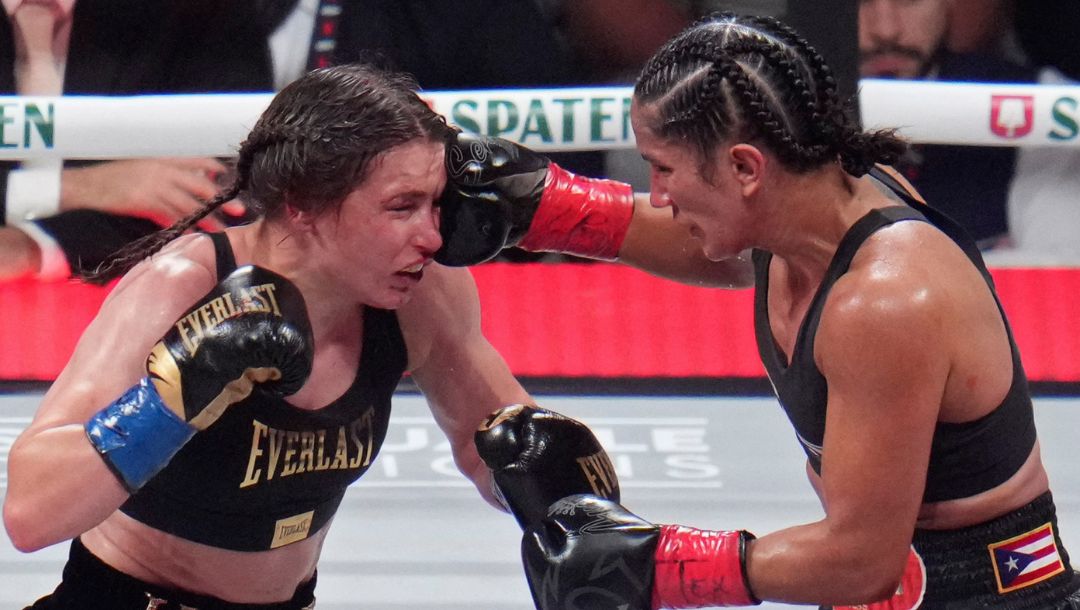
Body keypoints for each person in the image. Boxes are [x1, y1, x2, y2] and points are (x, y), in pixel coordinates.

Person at [436, 12, 1080, 609]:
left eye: (664, 169)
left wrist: (653, 564)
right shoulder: (812, 208)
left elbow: (862, 560)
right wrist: (545, 206)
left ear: (745, 168)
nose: (656, 194)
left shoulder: (882, 304)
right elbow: (703, 244)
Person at [1, 63, 620, 609]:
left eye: (435, 205)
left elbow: (488, 445)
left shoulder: (420, 293)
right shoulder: (181, 286)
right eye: (401, 206)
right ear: (302, 204)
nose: (432, 235)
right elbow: (29, 512)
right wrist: (170, 400)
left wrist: (560, 498)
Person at [0, 0, 271, 282]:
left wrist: (32, 245)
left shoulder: (206, 12)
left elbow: (219, 197)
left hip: (147, 294)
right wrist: (82, 187)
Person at [857, 0, 1035, 250]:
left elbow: (1055, 263)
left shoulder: (1031, 97)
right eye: (856, 3)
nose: (886, 31)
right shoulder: (785, 111)